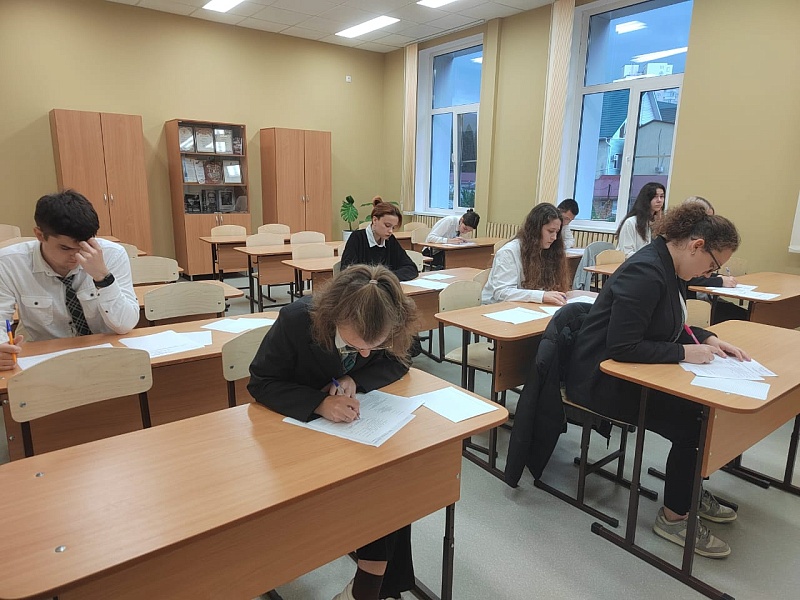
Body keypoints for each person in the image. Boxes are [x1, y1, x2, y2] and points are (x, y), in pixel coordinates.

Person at [567, 202, 748, 559]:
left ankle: (688, 490)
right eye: (712, 265)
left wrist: (707, 338)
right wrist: (684, 353)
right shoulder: (647, 271)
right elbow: (622, 346)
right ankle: (674, 518)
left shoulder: (670, 267)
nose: (709, 273)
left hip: (631, 371)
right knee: (692, 421)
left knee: (703, 411)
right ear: (696, 245)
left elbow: (668, 323)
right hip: (600, 380)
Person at [248, 264, 418, 600]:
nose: (365, 353)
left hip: (353, 432)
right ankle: (371, 587)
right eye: (357, 344)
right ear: (336, 316)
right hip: (296, 433)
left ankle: (368, 586)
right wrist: (320, 404)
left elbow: (401, 359)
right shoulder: (297, 320)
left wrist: (356, 378)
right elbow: (261, 382)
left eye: (375, 345)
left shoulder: (387, 318)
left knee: (393, 478)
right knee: (377, 489)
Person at [0, 190, 139, 370]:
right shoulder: (9, 262)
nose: (76, 256)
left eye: (84, 246)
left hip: (103, 353)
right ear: (39, 235)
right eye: (65, 248)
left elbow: (125, 325)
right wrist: (2, 348)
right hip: (43, 358)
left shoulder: (112, 254)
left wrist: (103, 277)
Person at [482, 203, 570, 306]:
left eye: (557, 232)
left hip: (525, 306)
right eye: (550, 231)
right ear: (535, 229)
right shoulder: (509, 252)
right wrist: (541, 296)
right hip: (495, 307)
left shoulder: (548, 250)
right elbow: (502, 292)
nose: (554, 237)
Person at [341, 197, 418, 282]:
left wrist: (385, 277)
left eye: (393, 227)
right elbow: (347, 273)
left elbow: (411, 268)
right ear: (374, 220)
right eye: (387, 225)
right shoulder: (357, 238)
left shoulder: (390, 240)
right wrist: (382, 278)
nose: (391, 231)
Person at [615, 182, 665, 258]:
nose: (659, 200)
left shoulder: (659, 222)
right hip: (632, 263)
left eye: (662, 196)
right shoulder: (631, 222)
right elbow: (626, 253)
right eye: (655, 197)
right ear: (646, 199)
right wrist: (649, 258)